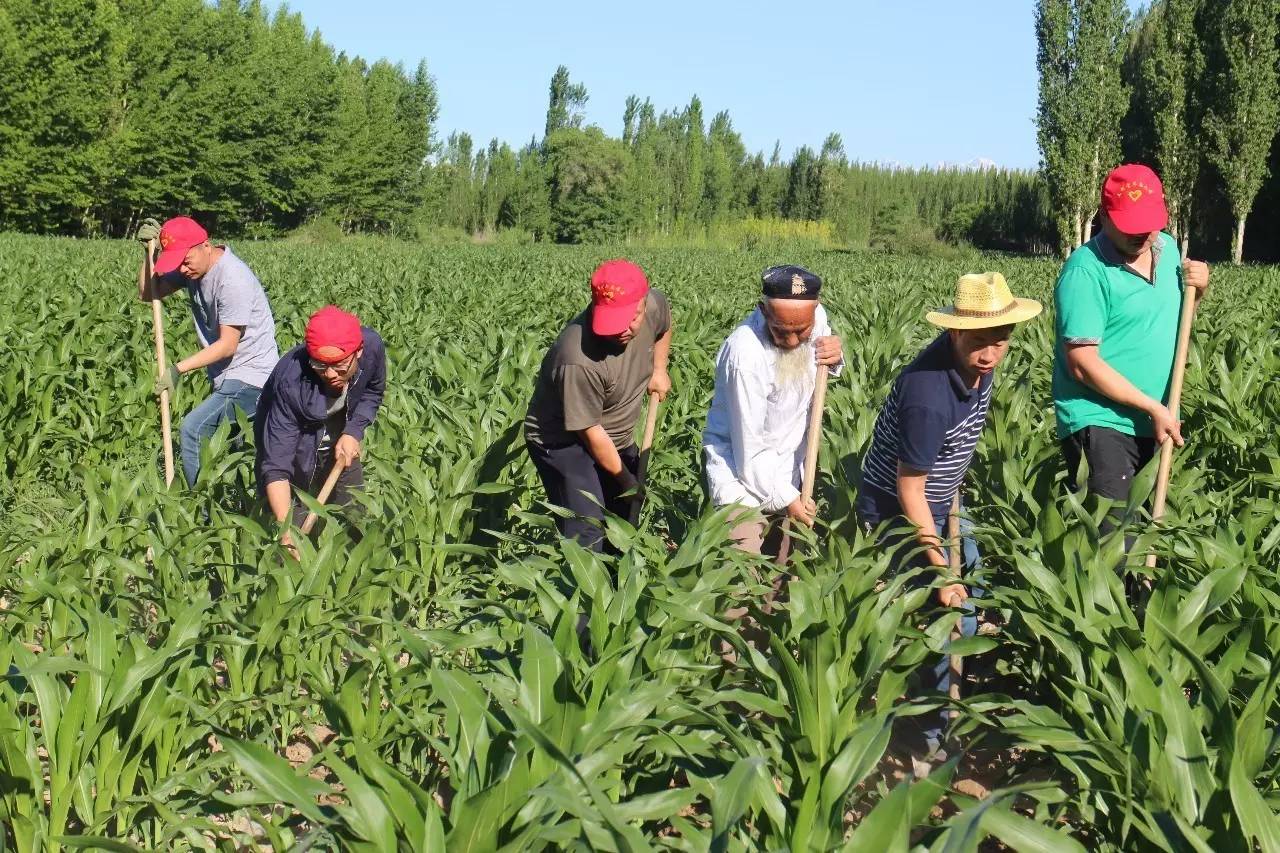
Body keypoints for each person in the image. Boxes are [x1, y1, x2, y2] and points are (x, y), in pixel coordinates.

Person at [857, 271, 1042, 770]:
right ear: (955, 332)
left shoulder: (980, 364)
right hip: (899, 510)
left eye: (1000, 341)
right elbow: (908, 488)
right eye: (980, 342)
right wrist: (938, 568)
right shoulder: (927, 395)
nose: (990, 354)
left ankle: (950, 697)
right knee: (942, 619)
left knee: (972, 593)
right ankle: (925, 735)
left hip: (944, 497)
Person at [1052, 164, 1210, 541]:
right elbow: (1082, 365)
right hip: (1101, 420)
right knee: (1113, 544)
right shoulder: (1085, 273)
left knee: (1145, 536)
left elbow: (1171, 317)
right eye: (1129, 224)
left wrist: (1198, 291)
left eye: (1149, 222)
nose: (1141, 233)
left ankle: (1139, 598)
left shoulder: (1168, 249)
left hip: (1153, 416)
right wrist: (1152, 407)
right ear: (1104, 216)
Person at [524, 259, 673, 552]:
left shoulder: (653, 305)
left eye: (632, 318)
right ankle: (583, 594)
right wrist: (627, 480)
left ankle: (619, 589)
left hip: (613, 433)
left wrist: (659, 368)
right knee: (587, 525)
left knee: (622, 522)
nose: (624, 330)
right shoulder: (577, 357)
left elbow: (664, 325)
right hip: (562, 441)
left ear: (644, 303)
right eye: (614, 321)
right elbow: (591, 434)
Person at [702, 265, 844, 559]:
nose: (791, 341)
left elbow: (823, 356)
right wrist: (787, 498)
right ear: (763, 311)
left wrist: (835, 355)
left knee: (782, 579)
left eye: (800, 331)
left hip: (789, 468)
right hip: (740, 479)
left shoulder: (816, 320)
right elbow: (749, 451)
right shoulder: (745, 356)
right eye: (781, 331)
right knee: (741, 579)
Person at [136, 216, 279, 486]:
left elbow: (227, 345)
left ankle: (197, 513)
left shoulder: (232, 279)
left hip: (253, 377)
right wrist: (148, 254)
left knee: (193, 429)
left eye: (186, 260)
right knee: (240, 453)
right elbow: (147, 293)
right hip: (228, 376)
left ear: (206, 245)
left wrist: (178, 369)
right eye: (176, 262)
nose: (183, 269)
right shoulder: (193, 268)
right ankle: (234, 509)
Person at [254, 305, 386, 552]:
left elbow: (373, 392)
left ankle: (357, 573)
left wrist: (353, 431)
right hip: (294, 447)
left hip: (340, 439)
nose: (330, 374)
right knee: (295, 526)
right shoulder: (291, 382)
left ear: (358, 352)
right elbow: (276, 466)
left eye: (339, 365)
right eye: (320, 365)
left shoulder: (372, 348)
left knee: (354, 515)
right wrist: (286, 533)